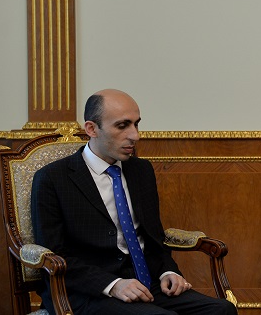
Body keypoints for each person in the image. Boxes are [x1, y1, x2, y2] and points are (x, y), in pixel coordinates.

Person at [31, 89, 237, 315]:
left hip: (146, 283)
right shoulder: (52, 178)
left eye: (136, 124)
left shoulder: (141, 170)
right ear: (91, 129)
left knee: (221, 310)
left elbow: (154, 238)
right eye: (122, 126)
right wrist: (113, 285)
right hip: (87, 291)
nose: (135, 136)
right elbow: (55, 254)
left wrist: (168, 272)